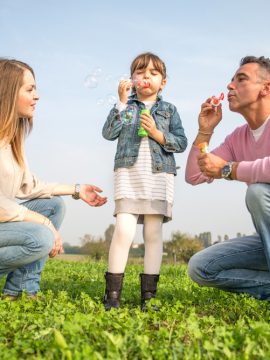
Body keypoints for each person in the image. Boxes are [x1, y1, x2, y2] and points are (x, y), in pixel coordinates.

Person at [0, 58, 107, 300]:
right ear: (7, 92)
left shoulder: (11, 141)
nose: (37, 96)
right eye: (30, 89)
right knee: (40, 237)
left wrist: (77, 189)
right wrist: (45, 225)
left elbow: (30, 187)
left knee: (53, 205)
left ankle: (21, 290)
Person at [102, 52, 187, 310]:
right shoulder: (127, 107)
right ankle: (112, 297)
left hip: (158, 176)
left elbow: (181, 142)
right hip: (129, 174)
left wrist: (157, 134)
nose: (146, 77)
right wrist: (121, 102)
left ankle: (148, 297)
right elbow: (108, 133)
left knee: (152, 233)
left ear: (163, 82)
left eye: (153, 73)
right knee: (123, 232)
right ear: (131, 80)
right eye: (139, 72)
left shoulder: (169, 110)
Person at [185, 56, 270, 301]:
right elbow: (194, 175)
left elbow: (227, 168)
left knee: (258, 192)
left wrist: (229, 170)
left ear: (266, 88)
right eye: (231, 80)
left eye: (241, 79)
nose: (230, 86)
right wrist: (205, 130)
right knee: (201, 266)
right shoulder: (237, 137)